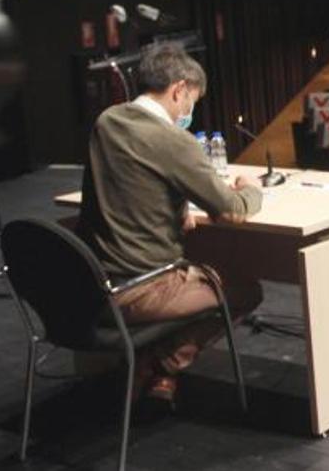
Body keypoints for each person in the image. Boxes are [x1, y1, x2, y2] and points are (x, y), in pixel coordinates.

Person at [77, 42, 264, 413]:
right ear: (179, 89)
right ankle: (158, 365)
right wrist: (253, 191)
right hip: (142, 286)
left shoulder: (107, 122)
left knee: (202, 273)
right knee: (245, 290)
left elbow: (130, 182)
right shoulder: (174, 140)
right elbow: (231, 212)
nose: (188, 112)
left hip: (92, 282)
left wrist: (175, 206)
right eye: (190, 101)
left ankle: (162, 379)